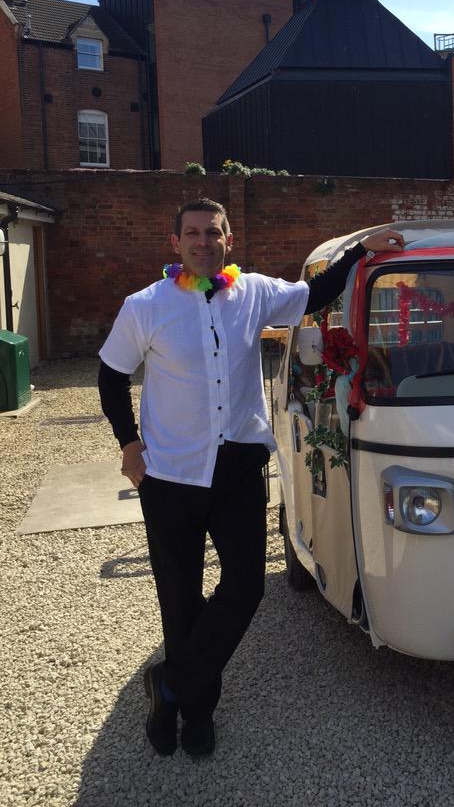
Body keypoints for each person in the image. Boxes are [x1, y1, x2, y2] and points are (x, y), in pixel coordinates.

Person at [98, 197, 404, 757]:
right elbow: (110, 375)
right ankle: (195, 712)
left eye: (213, 233)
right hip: (169, 475)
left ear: (228, 240)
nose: (202, 242)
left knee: (246, 586)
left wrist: (364, 249)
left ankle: (169, 685)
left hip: (238, 467)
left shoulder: (255, 293)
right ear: (175, 244)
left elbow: (316, 294)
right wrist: (129, 445)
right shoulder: (145, 306)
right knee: (180, 597)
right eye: (191, 233)